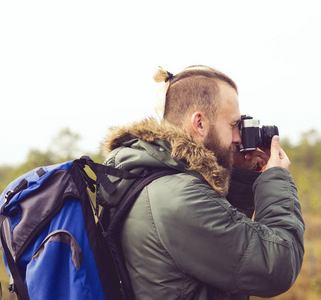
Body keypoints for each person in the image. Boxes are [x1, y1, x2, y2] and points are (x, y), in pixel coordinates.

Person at [99, 65, 305, 299]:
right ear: (199, 123)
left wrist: (242, 174)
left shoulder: (152, 177)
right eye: (233, 125)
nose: (238, 137)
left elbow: (222, 250)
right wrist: (275, 179)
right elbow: (277, 266)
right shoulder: (178, 196)